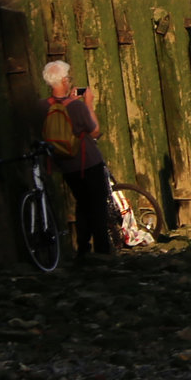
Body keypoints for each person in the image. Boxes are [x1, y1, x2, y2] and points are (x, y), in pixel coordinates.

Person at [38, 60, 114, 259]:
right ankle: (102, 249)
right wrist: (87, 103)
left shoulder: (42, 107)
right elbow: (94, 130)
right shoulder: (77, 107)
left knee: (81, 204)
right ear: (64, 80)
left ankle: (82, 248)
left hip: (65, 164)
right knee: (97, 204)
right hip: (87, 160)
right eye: (69, 78)